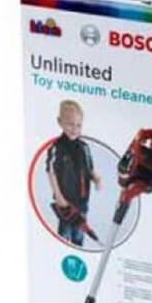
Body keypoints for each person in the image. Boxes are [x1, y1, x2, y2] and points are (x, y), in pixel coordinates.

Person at [46, 100, 101, 246]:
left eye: (78, 125)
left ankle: (78, 248)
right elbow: (51, 172)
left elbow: (89, 169)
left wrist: (96, 178)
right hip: (66, 204)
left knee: (79, 236)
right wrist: (59, 197)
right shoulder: (57, 148)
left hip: (82, 203)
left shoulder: (84, 148)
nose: (74, 129)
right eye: (70, 124)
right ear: (60, 122)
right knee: (64, 235)